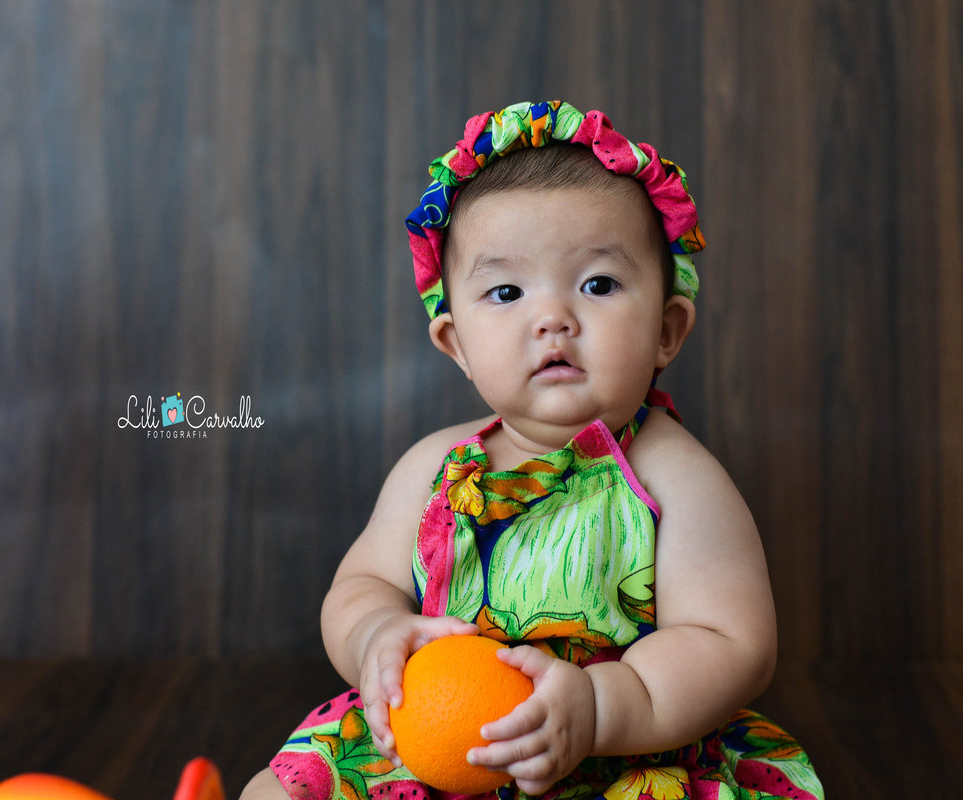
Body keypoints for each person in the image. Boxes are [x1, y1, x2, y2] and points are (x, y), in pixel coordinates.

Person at [248, 101, 824, 800]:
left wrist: (602, 705)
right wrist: (376, 636)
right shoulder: (432, 468)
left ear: (668, 330)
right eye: (507, 290)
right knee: (281, 790)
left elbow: (731, 642)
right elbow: (360, 586)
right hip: (436, 745)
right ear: (456, 344)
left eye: (598, 284)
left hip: (620, 754)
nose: (552, 318)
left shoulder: (675, 477)